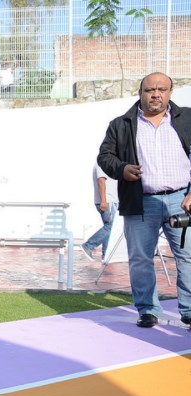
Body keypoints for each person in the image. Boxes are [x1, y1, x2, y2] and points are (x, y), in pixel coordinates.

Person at [97, 72, 191, 329]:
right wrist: (122, 168)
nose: (156, 94)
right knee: (140, 258)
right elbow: (105, 157)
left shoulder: (188, 119)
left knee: (188, 256)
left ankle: (190, 309)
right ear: (140, 92)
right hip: (140, 201)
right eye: (150, 90)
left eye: (162, 89)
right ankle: (148, 309)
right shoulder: (121, 124)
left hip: (182, 199)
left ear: (171, 92)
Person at [80, 163, 118, 261]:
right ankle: (88, 246)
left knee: (108, 229)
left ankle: (106, 256)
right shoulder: (102, 162)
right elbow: (101, 181)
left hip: (111, 201)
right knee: (110, 227)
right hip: (108, 201)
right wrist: (104, 201)